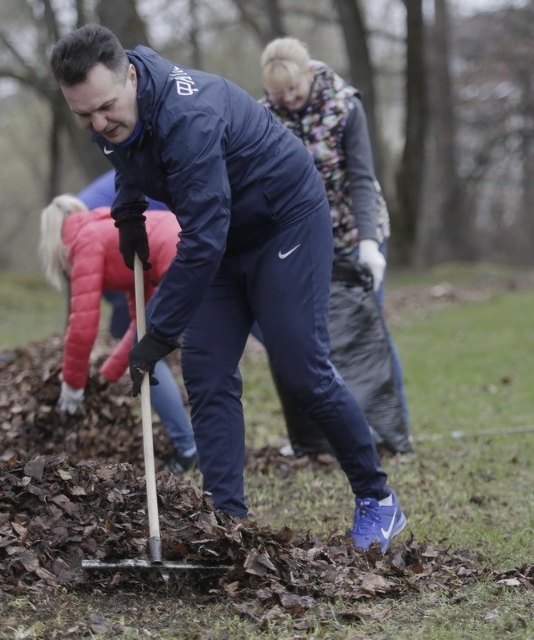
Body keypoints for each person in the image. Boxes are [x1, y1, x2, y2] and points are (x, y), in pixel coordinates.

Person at [49, 24, 407, 552]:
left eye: (105, 108)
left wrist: (159, 333)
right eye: (84, 116)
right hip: (221, 233)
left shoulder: (186, 117)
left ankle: (378, 499)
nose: (99, 123)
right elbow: (126, 152)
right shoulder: (116, 107)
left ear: (130, 76)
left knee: (301, 368)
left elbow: (203, 240)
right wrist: (127, 215)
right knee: (208, 371)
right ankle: (227, 522)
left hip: (282, 220)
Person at [259, 36, 411, 434]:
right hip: (299, 242)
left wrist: (367, 244)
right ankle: (322, 435)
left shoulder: (346, 107)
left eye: (293, 89)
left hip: (352, 233)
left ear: (310, 73)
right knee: (307, 336)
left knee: (368, 328)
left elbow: (361, 178)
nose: (288, 99)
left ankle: (393, 427)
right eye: (278, 92)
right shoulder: (263, 116)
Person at [38, 194, 198, 473]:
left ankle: (188, 447)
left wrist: (73, 385)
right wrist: (105, 378)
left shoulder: (84, 240)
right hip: (191, 250)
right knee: (145, 350)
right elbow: (140, 325)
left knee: (146, 356)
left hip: (178, 263)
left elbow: (82, 327)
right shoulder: (105, 229)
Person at [77, 170, 169, 340]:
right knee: (124, 300)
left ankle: (123, 346)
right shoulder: (163, 174)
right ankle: (120, 345)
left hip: (90, 221)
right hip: (102, 226)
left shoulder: (140, 162)